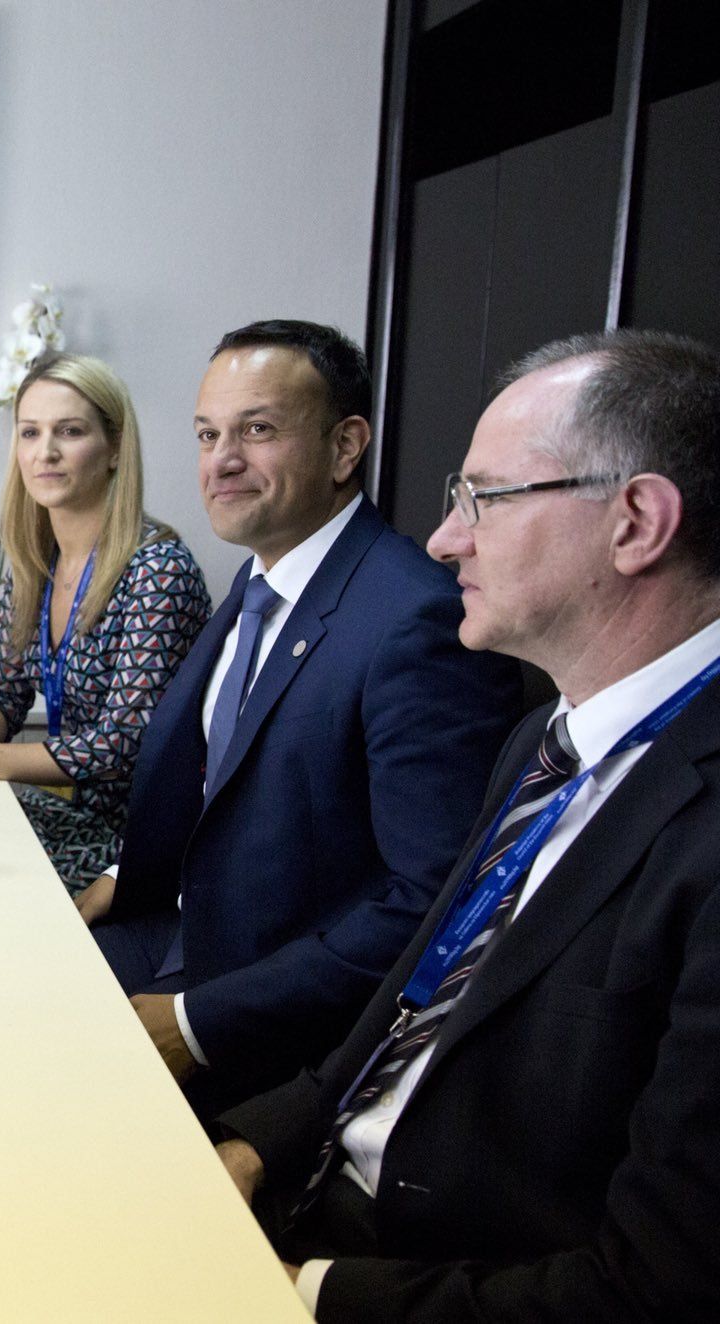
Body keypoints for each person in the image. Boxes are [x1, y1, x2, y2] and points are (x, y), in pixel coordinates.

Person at [215, 329, 720, 1320]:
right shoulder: (545, 734)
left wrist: (303, 1291)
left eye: (480, 497)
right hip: (319, 1195)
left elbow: (660, 1285)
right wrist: (247, 1145)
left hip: (418, 1278)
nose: (443, 538)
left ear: (634, 522)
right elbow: (411, 1008)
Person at [78, 320, 522, 1115]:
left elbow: (432, 903)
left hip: (266, 1012)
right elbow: (228, 782)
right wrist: (119, 876)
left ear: (346, 447)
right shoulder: (260, 579)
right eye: (208, 434)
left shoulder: (418, 621)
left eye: (257, 430)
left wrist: (195, 1023)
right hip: (175, 931)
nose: (221, 461)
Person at [0, 352, 211, 892]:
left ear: (115, 448)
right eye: (30, 433)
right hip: (71, 820)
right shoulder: (35, 563)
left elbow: (121, 746)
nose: (45, 452)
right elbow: (2, 692)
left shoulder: (158, 569)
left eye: (69, 431)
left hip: (138, 848)